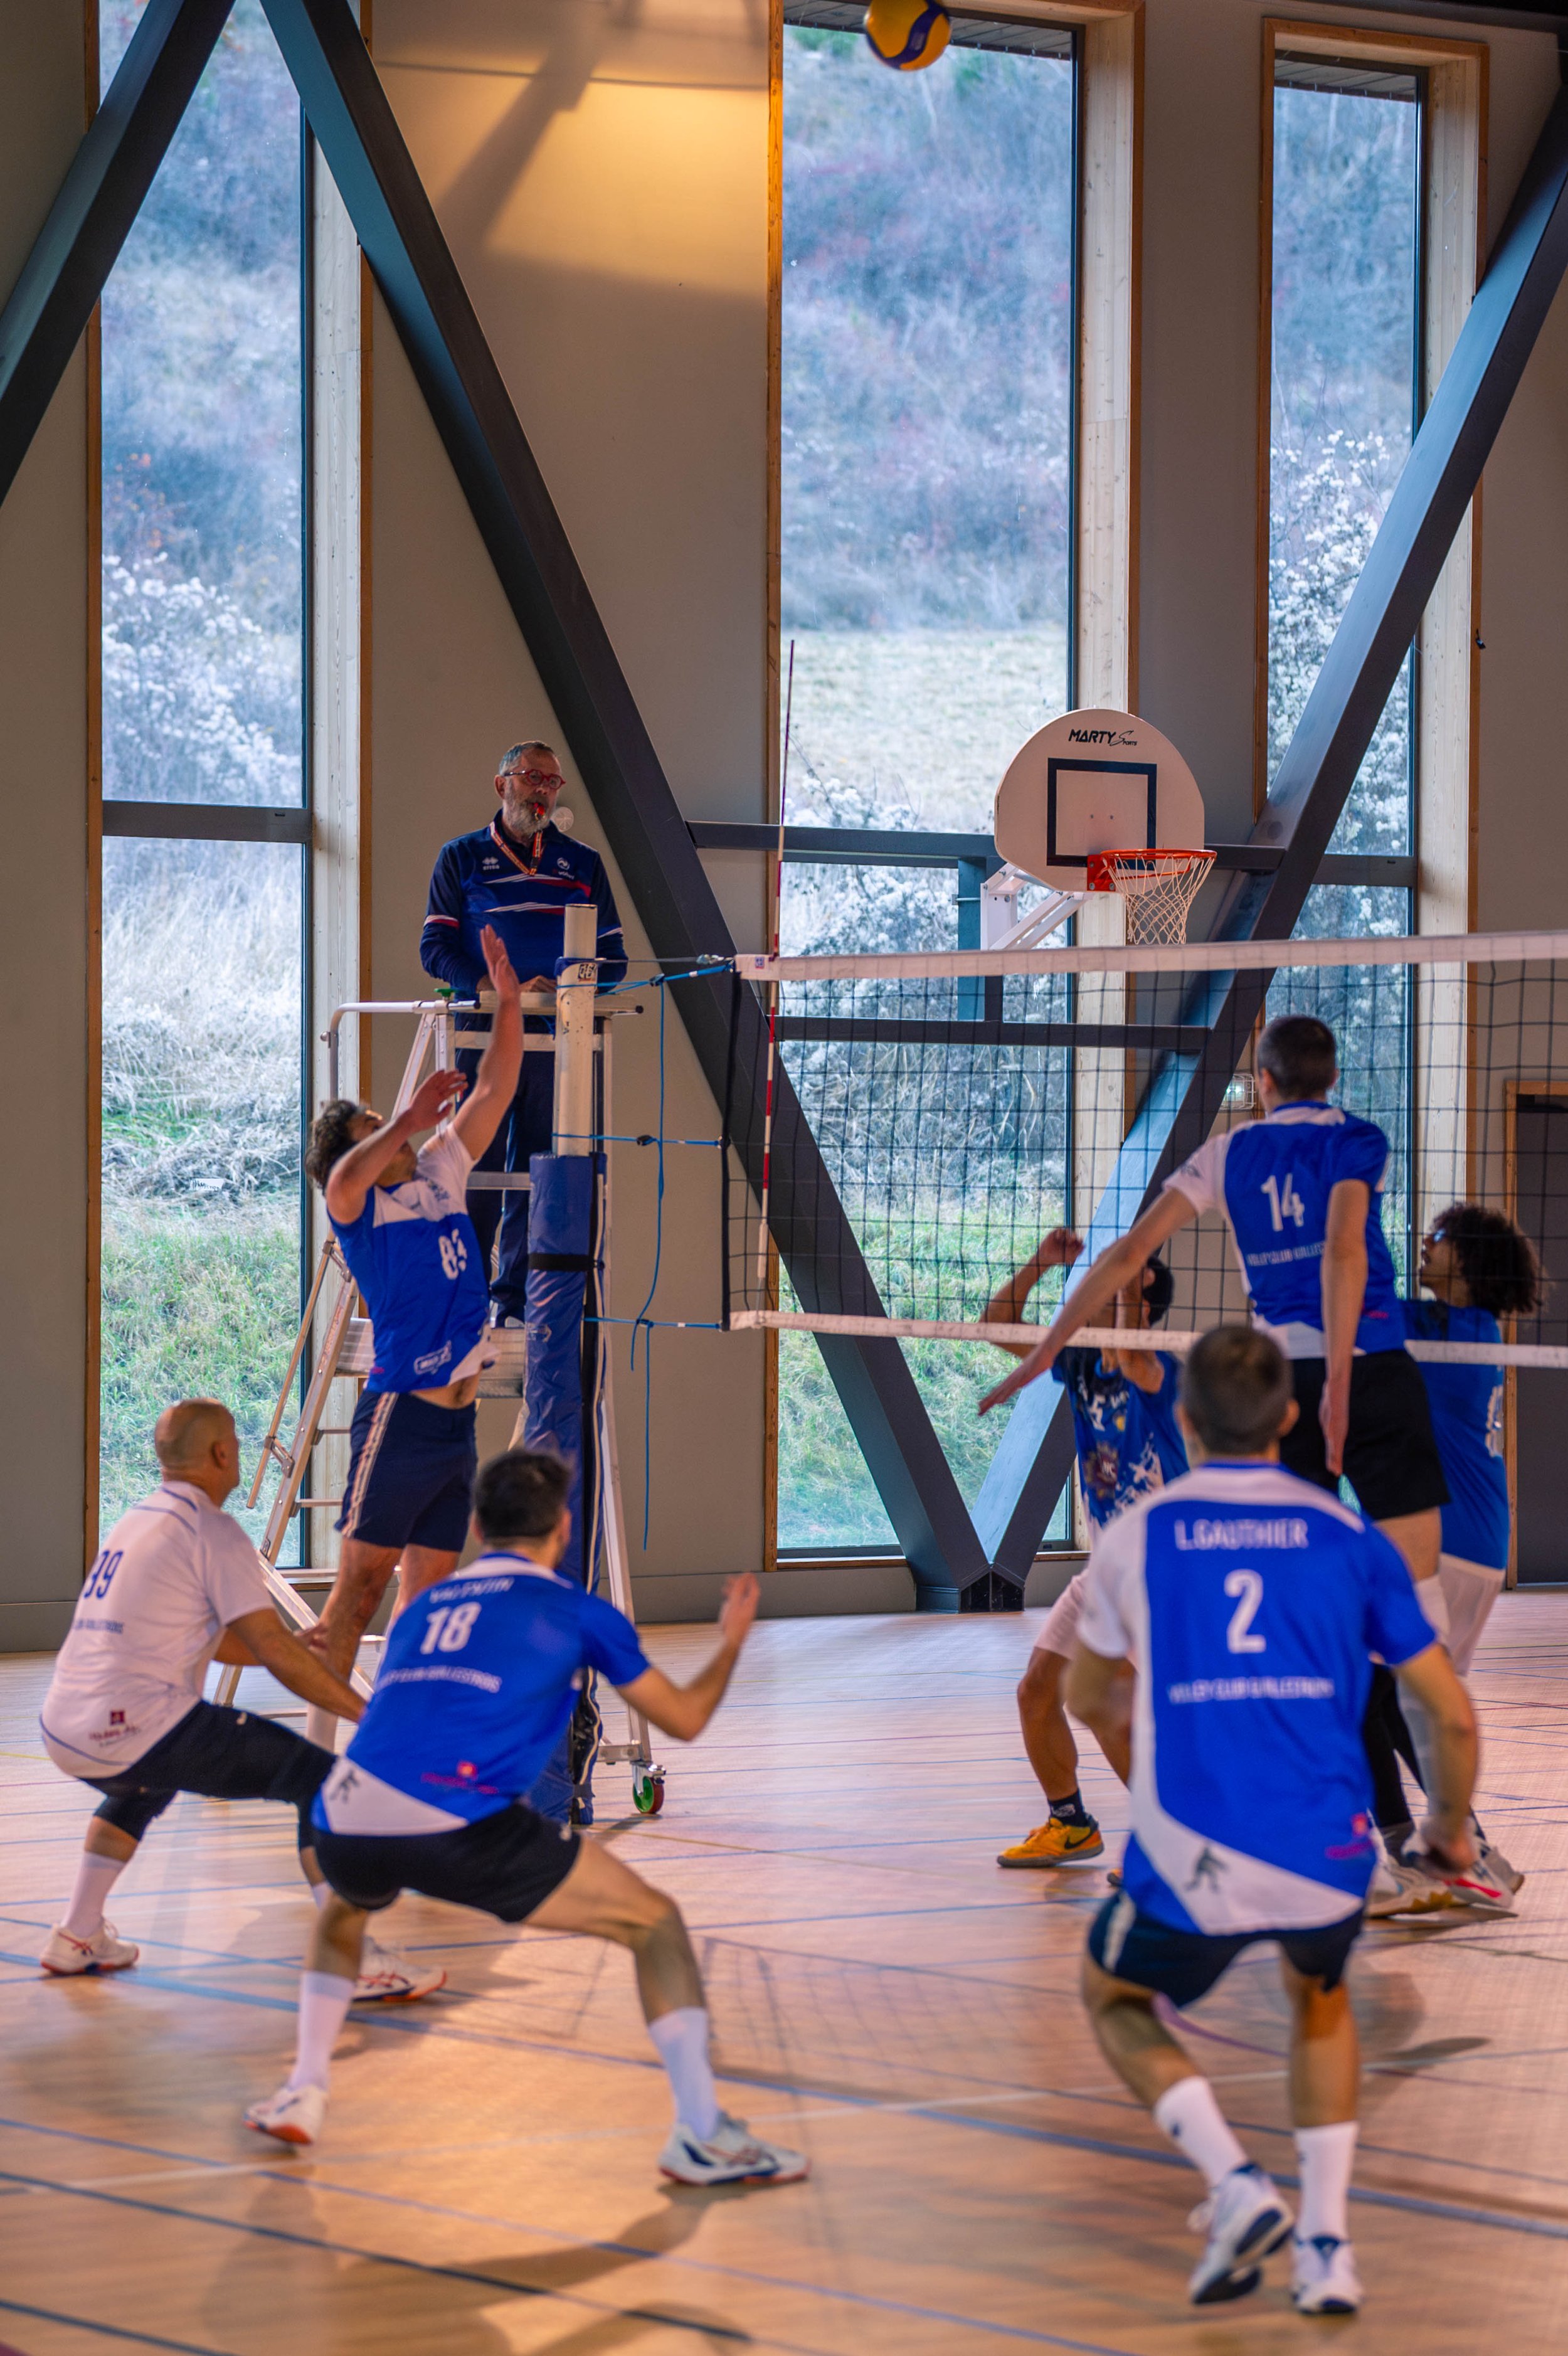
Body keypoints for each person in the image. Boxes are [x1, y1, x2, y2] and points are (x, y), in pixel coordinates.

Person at [244, 1449, 810, 2189]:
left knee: (344, 1914)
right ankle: (703, 2134)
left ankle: (305, 2087)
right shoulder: (577, 1611)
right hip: (458, 1821)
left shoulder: (423, 1609)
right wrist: (731, 1643)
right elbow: (685, 1719)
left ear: (478, 1528)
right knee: (655, 1924)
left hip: (344, 1814)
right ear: (564, 1529)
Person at [1065, 1327, 1477, 2314]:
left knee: (1112, 1994)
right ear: (1291, 1417)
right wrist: (1449, 1830)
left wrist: (1154, 1754)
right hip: (1328, 1851)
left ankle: (1237, 2183)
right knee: (1320, 1998)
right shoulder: (1351, 1539)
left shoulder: (1137, 1535)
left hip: (1192, 1848)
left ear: (1186, 1419)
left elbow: (1088, 1696)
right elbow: (1447, 1713)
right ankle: (1327, 2250)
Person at [36, 1399, 440, 2002]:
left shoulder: (137, 1521)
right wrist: (366, 1712)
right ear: (222, 1453)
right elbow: (273, 1653)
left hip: (64, 1727)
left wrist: (285, 1644)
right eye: (236, 1444)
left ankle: (77, 1933)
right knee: (321, 1781)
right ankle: (352, 1960)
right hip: (135, 1727)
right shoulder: (212, 1530)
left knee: (146, 1782)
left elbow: (223, 1639)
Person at [302, 923, 524, 1732]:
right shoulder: (356, 1205)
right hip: (400, 1419)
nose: (392, 1135)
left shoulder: (437, 1169)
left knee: (425, 1605)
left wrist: (507, 1004)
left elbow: (494, 1090)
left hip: (455, 1430)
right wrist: (401, 1119)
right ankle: (318, 1767)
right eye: (373, 1128)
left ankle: (396, 1750)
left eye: (387, 1127)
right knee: (355, 1597)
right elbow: (345, 1174)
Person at [983, 1232, 1185, 1869]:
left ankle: (1168, 1839)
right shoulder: (1077, 1361)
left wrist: (1129, 1270)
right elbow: (995, 1324)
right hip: (1107, 1570)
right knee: (1036, 1691)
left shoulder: (1160, 1370)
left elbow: (1130, 1348)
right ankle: (1069, 1823)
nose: (1087, 1288)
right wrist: (1040, 1263)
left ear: (1137, 1299)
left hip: (1162, 1572)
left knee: (1105, 1704)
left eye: (1107, 1281)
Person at [1367, 1204, 1542, 1905]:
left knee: (1367, 1693)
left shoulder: (1447, 1332)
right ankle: (1461, 1849)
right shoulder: (1470, 1329)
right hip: (1474, 1544)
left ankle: (1424, 1854)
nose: (1425, 1243)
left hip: (1441, 1544)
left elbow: (1364, 1298)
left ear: (1467, 1259)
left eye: (1437, 1237)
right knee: (1392, 1695)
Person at [420, 742, 627, 1327]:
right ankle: (464, 1301)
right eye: (532, 777)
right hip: (482, 1038)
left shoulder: (583, 863)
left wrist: (565, 986)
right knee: (473, 1170)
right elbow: (434, 948)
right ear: (502, 784)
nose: (542, 790)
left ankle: (512, 1303)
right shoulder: (460, 857)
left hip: (558, 1041)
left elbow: (614, 959)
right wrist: (497, 986)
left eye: (552, 782)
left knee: (538, 1175)